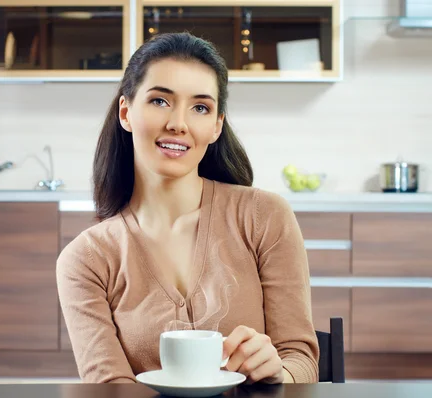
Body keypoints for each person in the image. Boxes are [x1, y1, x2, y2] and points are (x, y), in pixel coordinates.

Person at [56, 32, 319, 385]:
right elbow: (110, 388)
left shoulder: (264, 217)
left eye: (200, 107)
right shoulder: (86, 259)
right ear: (126, 112)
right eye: (160, 101)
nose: (178, 123)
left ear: (216, 126)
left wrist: (278, 373)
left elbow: (300, 359)